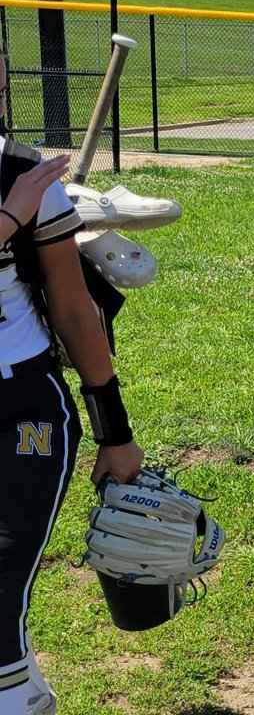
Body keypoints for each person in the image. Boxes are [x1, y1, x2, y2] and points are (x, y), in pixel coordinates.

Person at [0, 51, 145, 715]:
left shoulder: (27, 172)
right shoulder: (22, 190)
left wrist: (114, 432)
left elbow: (72, 310)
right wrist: (8, 218)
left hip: (23, 406)